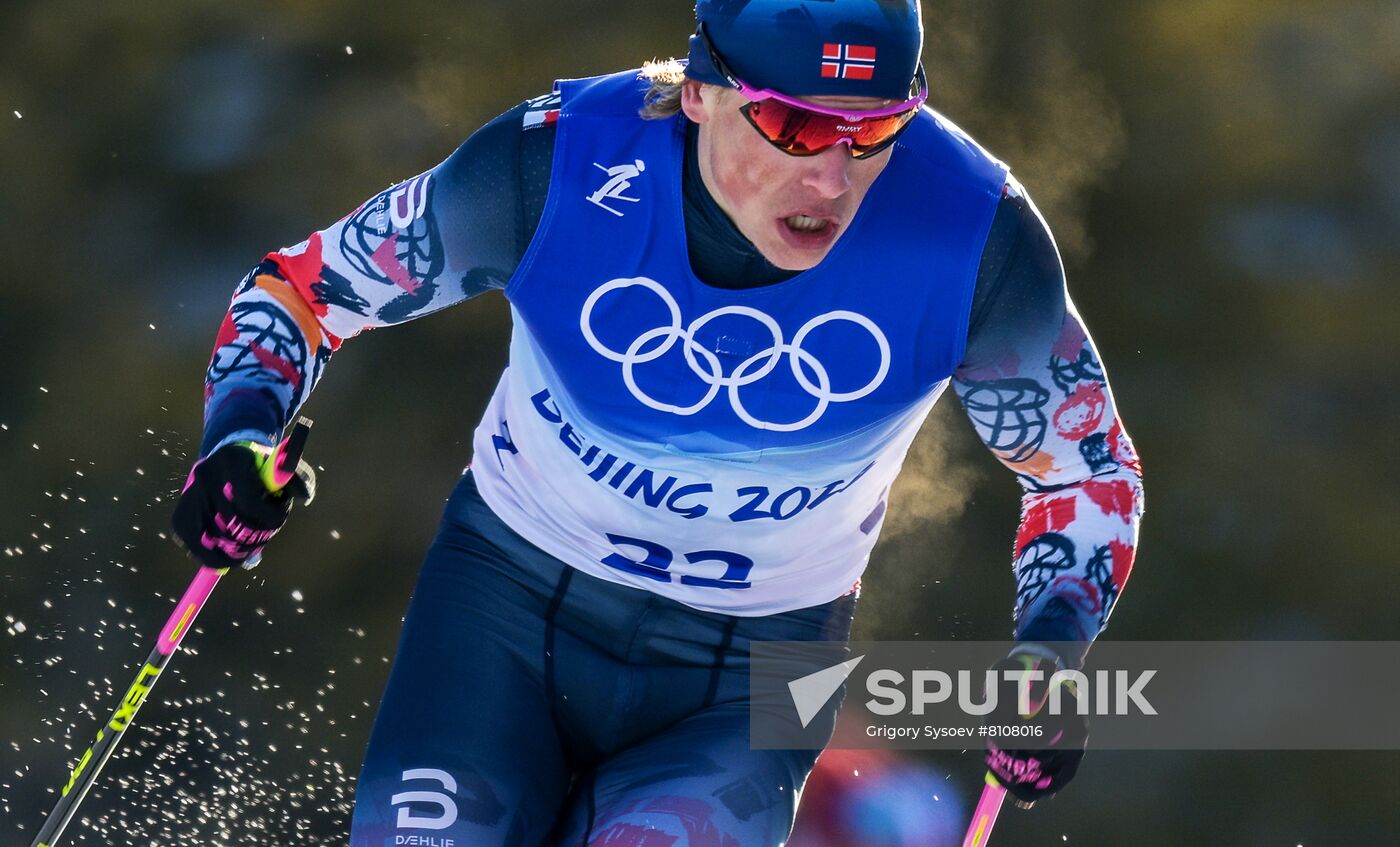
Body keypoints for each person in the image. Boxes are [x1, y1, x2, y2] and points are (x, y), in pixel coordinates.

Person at [171, 1, 1144, 843]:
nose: (834, 176)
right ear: (699, 92)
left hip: (748, 679)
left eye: (875, 129)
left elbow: (1085, 472)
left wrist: (1049, 654)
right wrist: (238, 439)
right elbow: (307, 291)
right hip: (502, 616)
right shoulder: (553, 163)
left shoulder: (973, 231)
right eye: (793, 127)